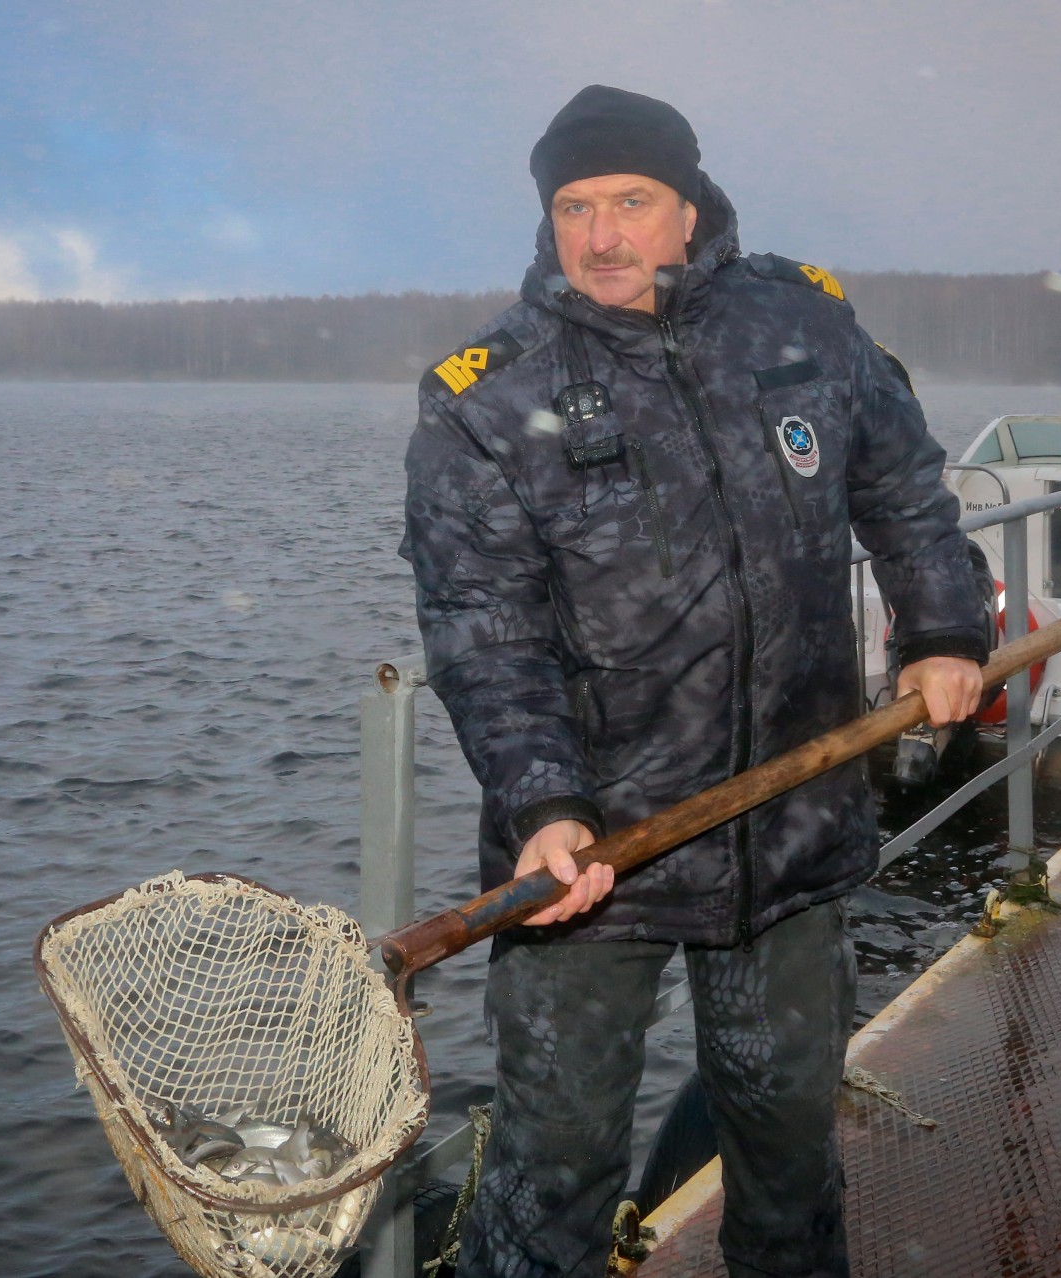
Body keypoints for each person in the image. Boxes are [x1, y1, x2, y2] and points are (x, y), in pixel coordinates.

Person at [400, 84, 987, 1278]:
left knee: (783, 1154)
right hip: (591, 858)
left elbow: (903, 489)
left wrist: (943, 632)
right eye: (574, 206)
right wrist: (542, 808)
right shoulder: (487, 398)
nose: (601, 234)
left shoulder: (802, 328)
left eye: (630, 200)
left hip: (792, 823)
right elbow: (482, 628)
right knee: (547, 1172)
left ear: (687, 207)